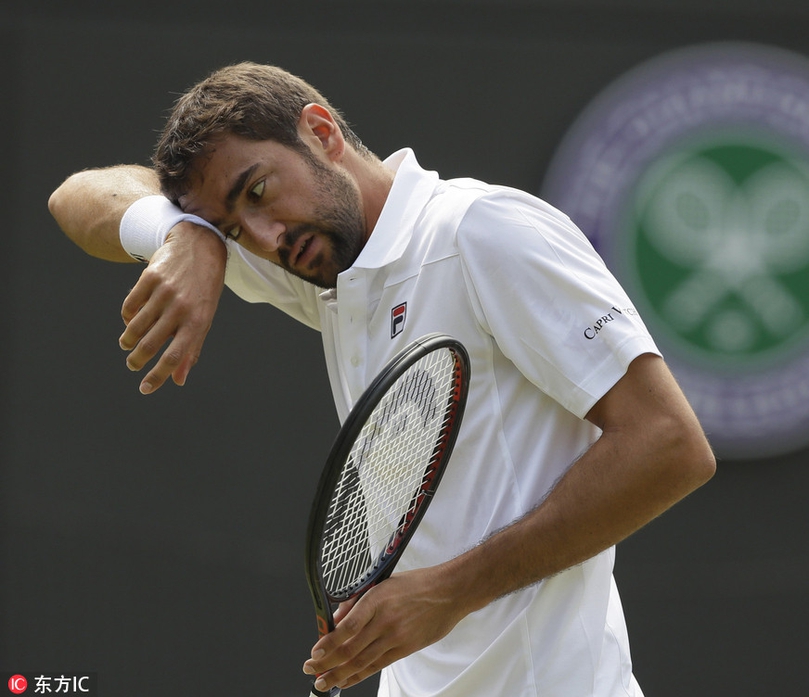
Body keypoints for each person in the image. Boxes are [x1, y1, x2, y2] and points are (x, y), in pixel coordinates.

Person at [49, 62, 716, 696]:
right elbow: (73, 198)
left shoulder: (481, 231)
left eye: (258, 191)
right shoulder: (320, 266)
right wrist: (186, 236)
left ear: (321, 132)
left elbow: (670, 444)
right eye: (234, 227)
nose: (265, 236)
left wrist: (450, 592)